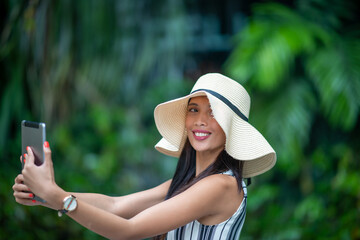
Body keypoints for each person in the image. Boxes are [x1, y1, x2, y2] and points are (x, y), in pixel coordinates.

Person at [13, 73, 276, 240]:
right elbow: (116, 206)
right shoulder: (192, 183)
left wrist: (59, 198)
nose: (200, 121)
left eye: (214, 113)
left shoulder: (221, 186)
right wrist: (46, 195)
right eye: (194, 109)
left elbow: (128, 231)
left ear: (232, 129)